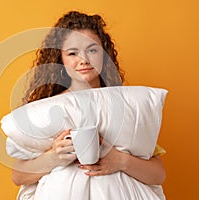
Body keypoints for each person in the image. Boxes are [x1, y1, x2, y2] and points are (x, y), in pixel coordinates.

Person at [10, 11, 166, 199]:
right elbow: (18, 176)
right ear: (60, 59)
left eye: (92, 50)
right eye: (72, 53)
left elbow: (158, 174)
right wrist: (53, 157)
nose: (83, 59)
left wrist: (120, 161)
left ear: (104, 54)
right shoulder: (47, 110)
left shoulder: (128, 105)